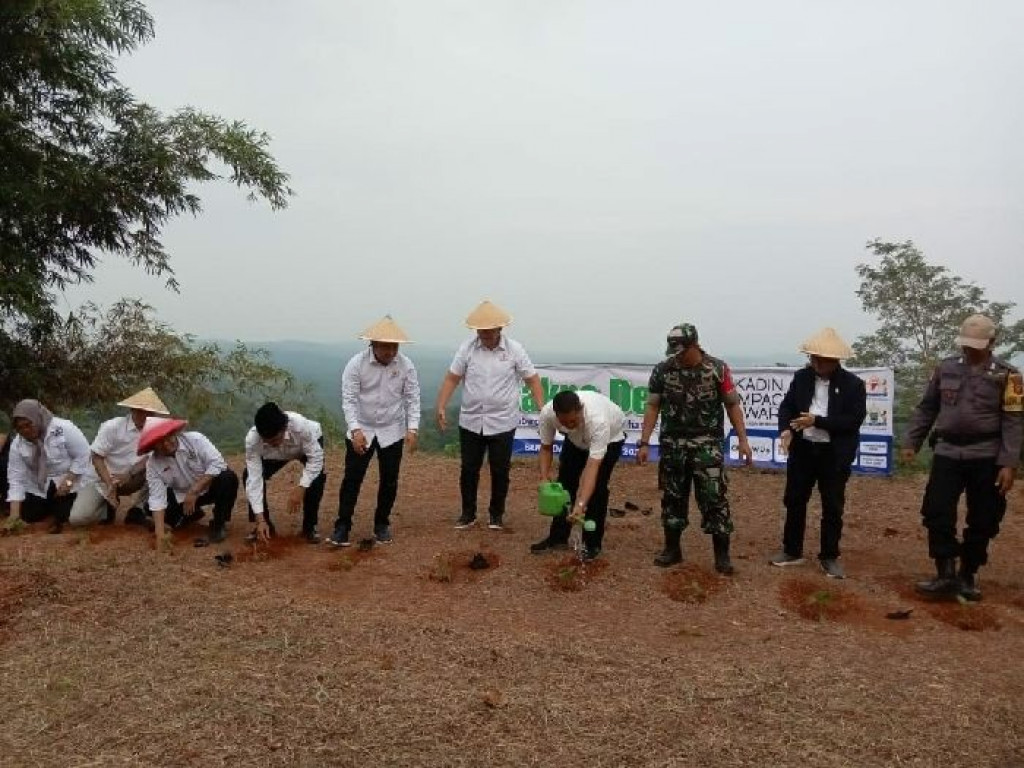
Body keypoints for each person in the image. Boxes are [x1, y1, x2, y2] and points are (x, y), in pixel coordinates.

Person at [901, 314, 1022, 601]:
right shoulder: (946, 368)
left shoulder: (1009, 375)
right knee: (936, 510)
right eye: (967, 344)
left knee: (984, 517)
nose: (970, 349)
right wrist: (912, 440)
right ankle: (945, 572)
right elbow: (927, 407)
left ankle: (967, 574)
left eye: (977, 345)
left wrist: (1009, 463)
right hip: (948, 452)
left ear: (992, 342)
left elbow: (1014, 420)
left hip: (987, 456)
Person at [637, 323, 752, 574]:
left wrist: (743, 440)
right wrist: (644, 442)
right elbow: (653, 406)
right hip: (673, 446)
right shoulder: (663, 370)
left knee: (714, 499)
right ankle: (672, 550)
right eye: (674, 350)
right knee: (672, 498)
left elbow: (732, 406)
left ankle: (722, 556)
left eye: (681, 350)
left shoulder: (717, 369)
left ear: (695, 345)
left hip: (707, 446)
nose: (677, 354)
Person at [435, 300, 545, 530]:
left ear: (499, 328)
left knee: (500, 469)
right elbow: (452, 378)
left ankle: (496, 514)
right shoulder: (467, 348)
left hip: (503, 421)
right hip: (471, 420)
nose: (484, 333)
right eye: (480, 329)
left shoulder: (514, 350)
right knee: (469, 469)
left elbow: (532, 379)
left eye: (488, 329)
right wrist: (441, 406)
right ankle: (468, 513)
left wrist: (541, 406)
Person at [771, 328, 867, 579]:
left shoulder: (853, 385)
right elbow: (787, 406)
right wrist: (785, 430)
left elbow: (852, 421)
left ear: (835, 361)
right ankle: (792, 550)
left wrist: (817, 421)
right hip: (803, 450)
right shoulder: (801, 378)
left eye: (821, 359)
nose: (815, 363)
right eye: (813, 358)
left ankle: (829, 556)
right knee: (794, 499)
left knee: (832, 505)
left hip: (833, 454)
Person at [328, 316, 420, 547]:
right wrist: (355, 430)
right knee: (352, 479)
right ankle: (342, 526)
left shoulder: (406, 366)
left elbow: (412, 398)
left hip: (392, 429)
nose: (390, 351)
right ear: (373, 344)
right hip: (363, 427)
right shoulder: (356, 365)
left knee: (389, 480)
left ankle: (382, 523)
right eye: (385, 346)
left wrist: (412, 428)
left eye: (394, 346)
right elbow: (348, 400)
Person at [530, 390, 626, 561]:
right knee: (564, 483)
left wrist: (581, 504)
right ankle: (558, 538)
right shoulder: (547, 414)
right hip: (576, 441)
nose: (568, 425)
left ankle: (592, 544)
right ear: (556, 415)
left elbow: (592, 466)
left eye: (573, 420)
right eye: (564, 422)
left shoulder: (598, 421)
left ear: (580, 410)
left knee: (597, 490)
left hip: (611, 438)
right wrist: (544, 477)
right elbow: (546, 447)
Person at [68, 386, 170, 527]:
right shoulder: (112, 427)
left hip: (133, 478)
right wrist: (110, 483)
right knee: (78, 519)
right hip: (103, 479)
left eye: (149, 412)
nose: (145, 415)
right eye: (141, 411)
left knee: (163, 466)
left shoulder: (156, 433)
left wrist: (129, 474)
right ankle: (106, 507)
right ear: (132, 410)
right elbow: (97, 457)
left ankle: (138, 509)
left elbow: (151, 458)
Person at [140, 417, 239, 546]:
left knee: (228, 478)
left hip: (208, 487)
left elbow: (218, 463)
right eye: (159, 442)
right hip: (181, 496)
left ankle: (219, 523)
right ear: (152, 446)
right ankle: (190, 515)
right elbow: (157, 498)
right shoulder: (153, 464)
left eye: (167, 437)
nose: (165, 444)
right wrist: (160, 535)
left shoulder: (195, 440)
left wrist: (194, 490)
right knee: (149, 506)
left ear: (173, 433)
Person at [5, 399, 95, 533]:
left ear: (37, 419)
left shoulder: (64, 428)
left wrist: (69, 481)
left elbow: (83, 455)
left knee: (66, 515)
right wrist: (14, 516)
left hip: (70, 479)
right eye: (20, 428)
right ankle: (49, 513)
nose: (25, 430)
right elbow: (16, 478)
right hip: (40, 484)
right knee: (28, 514)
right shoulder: (17, 444)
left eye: (28, 425)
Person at [244, 402, 326, 544]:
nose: (272, 443)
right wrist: (260, 518)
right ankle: (263, 525)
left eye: (275, 439)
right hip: (274, 456)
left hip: (303, 447)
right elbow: (254, 479)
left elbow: (316, 459)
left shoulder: (301, 426)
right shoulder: (253, 441)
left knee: (316, 478)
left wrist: (302, 487)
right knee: (247, 475)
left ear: (284, 428)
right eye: (267, 441)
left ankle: (309, 527)